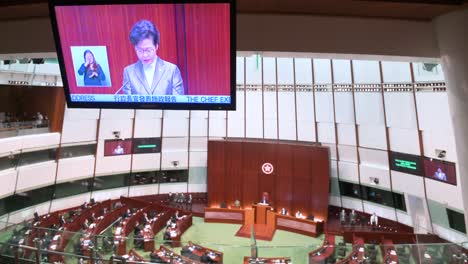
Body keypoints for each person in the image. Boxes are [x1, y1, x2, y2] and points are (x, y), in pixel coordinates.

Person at [123, 20, 184, 95]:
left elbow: (178, 103)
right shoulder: (129, 72)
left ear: (156, 46)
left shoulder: (172, 70)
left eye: (148, 50)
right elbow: (128, 104)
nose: (144, 55)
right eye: (140, 50)